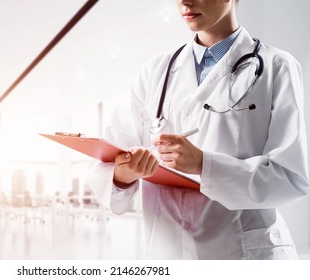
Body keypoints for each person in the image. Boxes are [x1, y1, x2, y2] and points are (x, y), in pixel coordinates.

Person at [89, 0, 309, 259]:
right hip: (167, 252)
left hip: (243, 254)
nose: (184, 2)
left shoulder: (277, 67)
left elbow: (291, 176)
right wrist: (124, 174)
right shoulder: (153, 73)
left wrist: (204, 164)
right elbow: (108, 164)